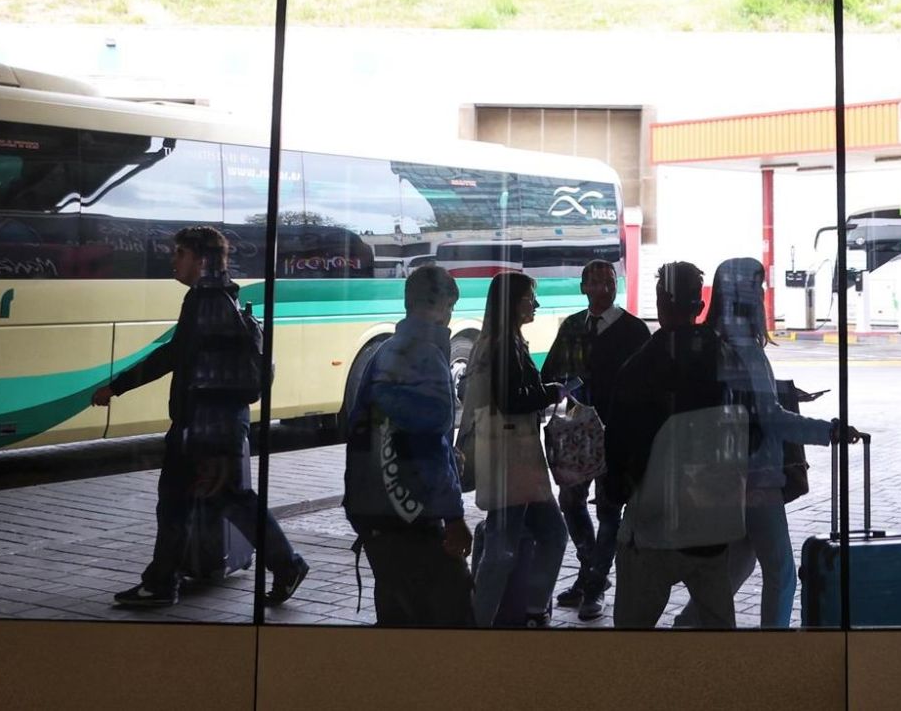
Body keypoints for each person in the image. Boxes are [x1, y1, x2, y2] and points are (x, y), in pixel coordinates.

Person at [93, 225, 309, 608]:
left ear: (201, 259)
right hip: (217, 424)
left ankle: (164, 584)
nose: (173, 261)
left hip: (204, 426)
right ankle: (281, 565)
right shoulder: (220, 297)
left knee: (183, 502)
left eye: (179, 253)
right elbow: (186, 358)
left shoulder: (204, 302)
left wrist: (117, 387)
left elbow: (177, 359)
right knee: (226, 500)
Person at [679, 257, 856, 628]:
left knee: (735, 567)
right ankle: (772, 646)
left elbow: (744, 401)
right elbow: (770, 419)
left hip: (725, 476)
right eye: (757, 287)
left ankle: (686, 627)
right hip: (756, 476)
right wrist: (829, 431)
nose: (762, 295)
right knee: (781, 572)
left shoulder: (715, 342)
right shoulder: (746, 348)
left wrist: (784, 393)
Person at [605, 261, 740, 630]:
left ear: (660, 305)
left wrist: (615, 494)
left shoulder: (640, 367)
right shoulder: (727, 360)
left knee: (632, 635)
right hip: (714, 523)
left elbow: (618, 446)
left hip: (655, 524)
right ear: (699, 305)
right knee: (719, 633)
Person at [342, 265, 475, 626]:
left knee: (396, 614)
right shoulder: (427, 357)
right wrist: (454, 517)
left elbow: (359, 425)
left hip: (372, 509)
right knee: (452, 613)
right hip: (412, 513)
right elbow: (428, 444)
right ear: (443, 306)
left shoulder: (382, 352)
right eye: (449, 308)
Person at [541, 259, 650, 620]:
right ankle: (591, 574)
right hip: (576, 435)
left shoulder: (634, 331)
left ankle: (595, 580)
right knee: (570, 500)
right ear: (583, 287)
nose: (603, 288)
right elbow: (550, 374)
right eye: (595, 282)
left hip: (617, 434)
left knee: (608, 508)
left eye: (609, 282)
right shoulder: (572, 327)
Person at [466, 271, 568, 627]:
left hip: (512, 457)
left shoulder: (502, 340)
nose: (535, 304)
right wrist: (552, 391)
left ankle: (525, 610)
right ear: (513, 303)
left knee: (533, 536)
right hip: (512, 458)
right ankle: (488, 618)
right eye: (530, 298)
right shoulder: (503, 344)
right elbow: (510, 399)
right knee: (505, 546)